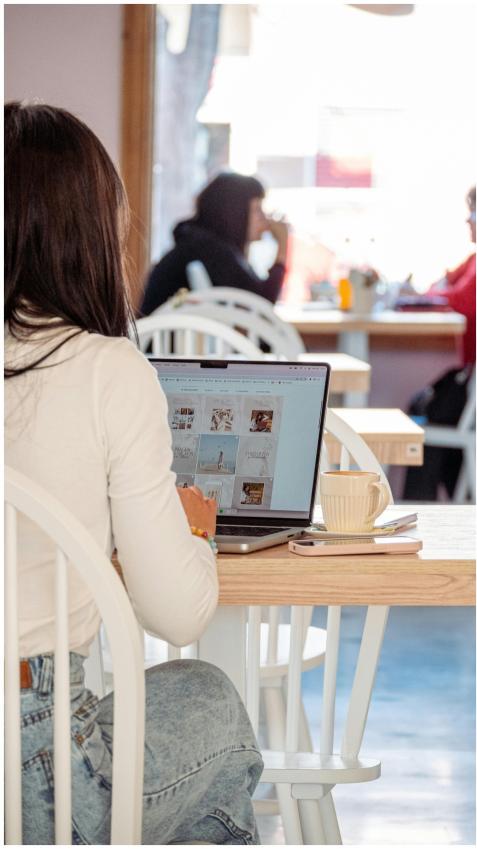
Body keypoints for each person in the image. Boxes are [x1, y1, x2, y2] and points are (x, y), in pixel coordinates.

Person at [5, 102, 263, 845]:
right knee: (211, 701)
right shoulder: (105, 369)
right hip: (37, 762)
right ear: (86, 225)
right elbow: (177, 615)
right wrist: (197, 529)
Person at [403, 186, 476, 500]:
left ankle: (422, 502)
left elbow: (461, 299)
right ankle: (431, 499)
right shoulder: (473, 259)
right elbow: (446, 282)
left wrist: (422, 296)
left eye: (472, 213)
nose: (468, 221)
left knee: (426, 410)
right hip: (468, 381)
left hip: (471, 384)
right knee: (424, 405)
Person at [141, 171, 289, 314]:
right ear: (235, 212)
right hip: (167, 337)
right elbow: (261, 305)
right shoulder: (209, 249)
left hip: (173, 337)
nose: (265, 219)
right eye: (257, 210)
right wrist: (283, 244)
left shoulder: (200, 243)